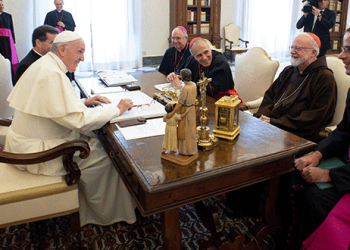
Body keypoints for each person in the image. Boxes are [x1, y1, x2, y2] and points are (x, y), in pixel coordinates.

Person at [4, 31, 136, 227]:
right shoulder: (51, 73)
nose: (83, 58)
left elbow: (52, 107)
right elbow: (79, 121)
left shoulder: (45, 65)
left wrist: (84, 101)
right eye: (80, 52)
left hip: (29, 143)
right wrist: (117, 109)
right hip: (38, 154)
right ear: (63, 49)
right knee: (106, 157)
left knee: (97, 142)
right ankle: (108, 215)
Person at [287, 28, 350, 250]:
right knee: (299, 172)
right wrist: (318, 154)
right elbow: (344, 131)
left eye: (347, 50)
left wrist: (330, 175)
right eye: (343, 48)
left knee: (316, 197)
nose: (340, 56)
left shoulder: (323, 77)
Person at [254, 32, 337, 143]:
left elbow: (315, 118)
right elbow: (270, 96)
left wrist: (274, 122)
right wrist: (262, 118)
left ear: (313, 52)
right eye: (292, 47)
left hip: (298, 135)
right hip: (271, 127)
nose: (292, 51)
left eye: (298, 48)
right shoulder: (289, 71)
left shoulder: (324, 78)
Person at [167, 38, 240, 101]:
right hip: (201, 99)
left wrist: (183, 86)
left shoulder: (220, 62)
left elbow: (211, 91)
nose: (204, 58)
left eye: (206, 52)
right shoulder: (192, 60)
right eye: (199, 55)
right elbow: (181, 72)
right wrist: (174, 77)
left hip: (225, 100)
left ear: (210, 50)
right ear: (194, 57)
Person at [168, 68, 198, 156]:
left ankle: (185, 151)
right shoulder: (194, 85)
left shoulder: (186, 88)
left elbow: (180, 103)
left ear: (182, 77)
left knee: (184, 132)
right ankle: (192, 150)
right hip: (192, 109)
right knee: (191, 131)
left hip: (185, 110)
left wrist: (172, 113)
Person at [0, 0, 18, 84]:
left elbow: (11, 29)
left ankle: (11, 79)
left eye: (2, 5)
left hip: (8, 41)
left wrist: (13, 42)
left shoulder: (8, 16)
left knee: (10, 59)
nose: (1, 7)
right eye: (0, 5)